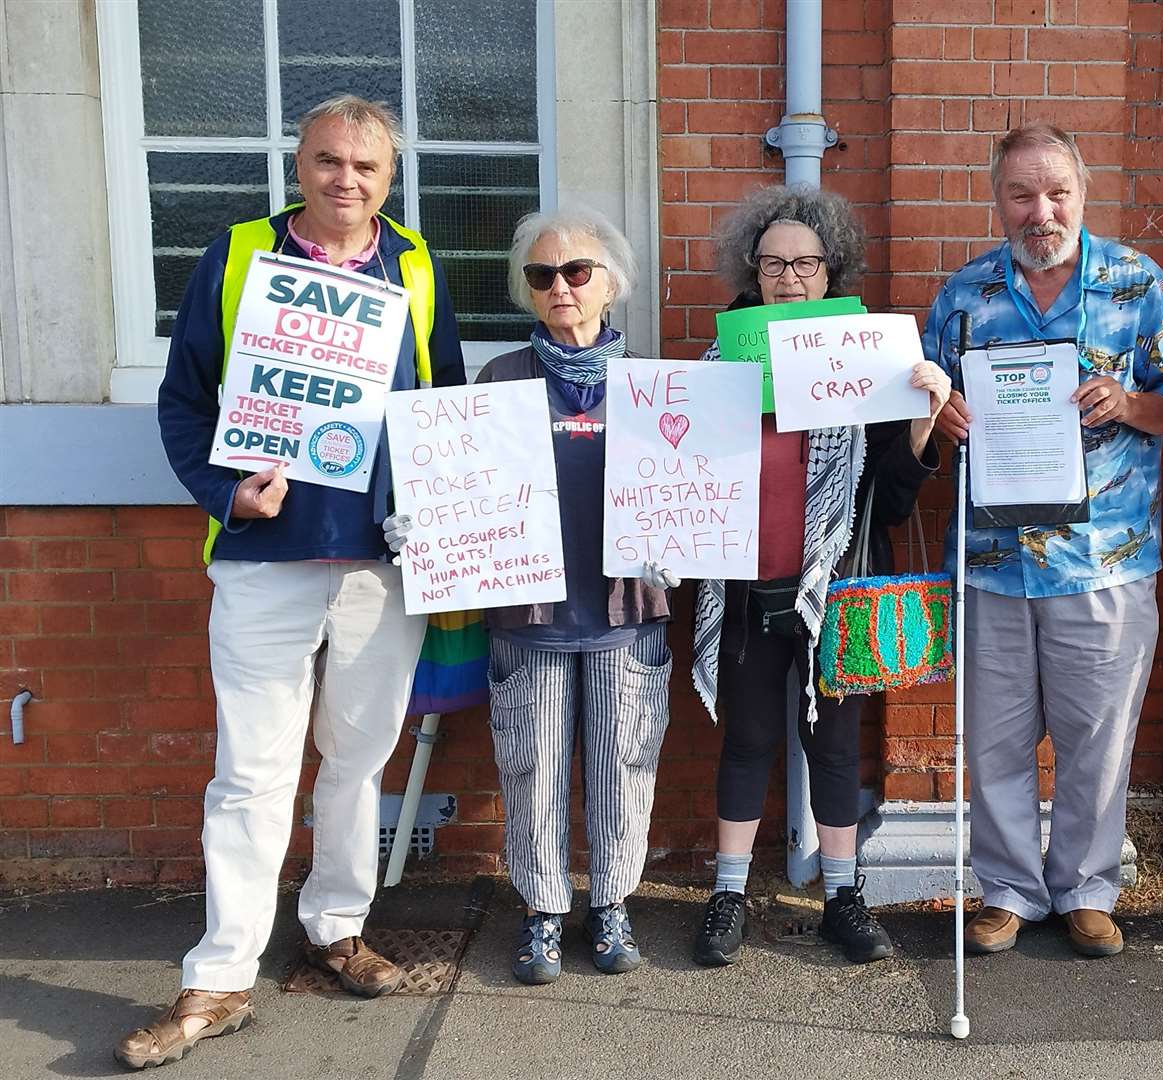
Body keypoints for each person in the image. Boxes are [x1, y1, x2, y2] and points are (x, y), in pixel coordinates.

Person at [125, 95, 465, 1070]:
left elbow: (438, 401)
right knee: (252, 773)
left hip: (375, 563)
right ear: (299, 163)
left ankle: (335, 927)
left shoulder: (413, 263)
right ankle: (223, 971)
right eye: (326, 161)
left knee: (359, 762)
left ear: (389, 179)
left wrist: (448, 515)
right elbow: (185, 397)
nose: (343, 180)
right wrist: (228, 495)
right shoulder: (236, 255)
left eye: (364, 166)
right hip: (266, 562)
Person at [922, 122, 1163, 958]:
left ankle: (1085, 887)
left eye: (1056, 192)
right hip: (993, 564)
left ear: (1082, 191)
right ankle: (1007, 890)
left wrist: (1128, 402)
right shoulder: (964, 295)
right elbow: (919, 419)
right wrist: (939, 416)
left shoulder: (1136, 283)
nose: (1040, 211)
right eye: (1021, 193)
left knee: (1097, 739)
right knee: (996, 739)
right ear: (997, 198)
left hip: (1103, 561)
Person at [385, 209, 675, 984]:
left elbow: (696, 485)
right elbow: (460, 488)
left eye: (577, 271)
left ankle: (611, 906)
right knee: (532, 767)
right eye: (542, 275)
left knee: (624, 765)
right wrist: (425, 524)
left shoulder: (655, 386)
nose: (560, 288)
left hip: (627, 615)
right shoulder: (500, 382)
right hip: (529, 618)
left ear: (611, 282)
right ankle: (543, 912)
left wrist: (688, 546)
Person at [688, 184, 951, 966]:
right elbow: (680, 468)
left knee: (834, 744)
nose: (789, 277)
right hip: (744, 583)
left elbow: (894, 502)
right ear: (753, 269)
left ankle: (843, 897)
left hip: (834, 586)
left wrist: (920, 421)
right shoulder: (721, 360)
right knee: (749, 738)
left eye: (805, 262)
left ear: (832, 268)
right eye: (773, 263)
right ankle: (727, 894)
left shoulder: (864, 362)